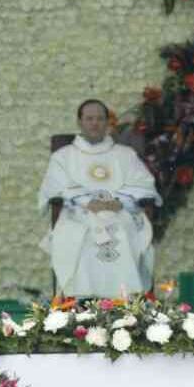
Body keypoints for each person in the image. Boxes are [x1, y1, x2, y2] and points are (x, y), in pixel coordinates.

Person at [37, 99, 161, 297]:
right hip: (78, 213)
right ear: (80, 122)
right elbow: (55, 187)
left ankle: (127, 300)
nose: (95, 123)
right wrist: (86, 201)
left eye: (100, 119)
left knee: (124, 231)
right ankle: (80, 299)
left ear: (107, 123)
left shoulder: (125, 155)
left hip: (121, 212)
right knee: (78, 235)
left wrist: (120, 200)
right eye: (89, 118)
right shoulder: (63, 156)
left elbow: (143, 185)